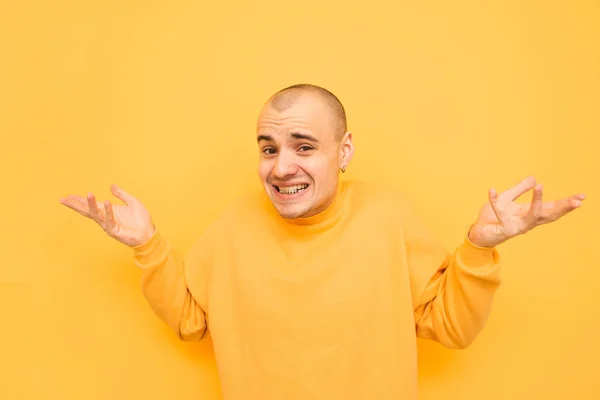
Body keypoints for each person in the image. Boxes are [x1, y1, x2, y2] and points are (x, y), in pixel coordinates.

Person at [59, 84, 585, 400]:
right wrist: (147, 244)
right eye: (268, 148)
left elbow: (450, 328)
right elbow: (192, 321)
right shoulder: (235, 223)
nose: (281, 167)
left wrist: (477, 246)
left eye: (303, 146)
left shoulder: (387, 216)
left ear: (344, 150)